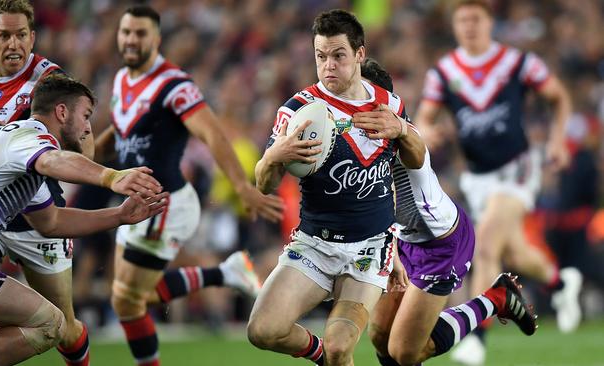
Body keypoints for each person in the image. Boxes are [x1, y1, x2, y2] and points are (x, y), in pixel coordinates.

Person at [92, 6, 284, 365]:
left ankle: (225, 273)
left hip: (164, 204)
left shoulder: (174, 85)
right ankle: (225, 272)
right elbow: (121, 132)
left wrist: (242, 186)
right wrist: (84, 158)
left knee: (128, 299)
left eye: (140, 33)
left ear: (156, 39)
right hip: (136, 202)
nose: (131, 40)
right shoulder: (121, 79)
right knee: (127, 301)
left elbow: (212, 133)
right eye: (126, 32)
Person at [247, 10, 426, 366]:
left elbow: (416, 161)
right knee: (262, 331)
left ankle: (331, 354)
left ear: (359, 54)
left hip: (369, 250)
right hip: (314, 244)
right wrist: (273, 156)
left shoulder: (389, 104)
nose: (328, 65)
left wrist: (403, 130)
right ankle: (319, 354)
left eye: (338, 55)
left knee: (342, 346)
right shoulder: (299, 110)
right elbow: (264, 184)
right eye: (320, 56)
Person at [0, 74, 168, 366]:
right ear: (62, 112)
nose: (89, 128)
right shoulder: (30, 138)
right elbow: (52, 161)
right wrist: (112, 176)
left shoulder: (17, 156)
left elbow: (50, 222)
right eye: (86, 115)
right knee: (50, 323)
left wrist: (119, 216)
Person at [415, 1, 582, 364]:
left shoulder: (517, 63)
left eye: (475, 18)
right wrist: (431, 131)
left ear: (490, 22)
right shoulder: (443, 72)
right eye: (462, 20)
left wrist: (556, 139)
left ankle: (477, 337)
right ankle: (560, 283)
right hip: (477, 178)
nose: (469, 26)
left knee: (486, 246)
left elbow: (558, 97)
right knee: (513, 252)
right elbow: (424, 119)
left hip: (517, 167)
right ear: (454, 26)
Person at [361, 58, 538, 366]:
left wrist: (402, 127)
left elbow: (414, 145)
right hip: (405, 240)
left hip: (441, 243)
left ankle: (495, 298)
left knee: (405, 351)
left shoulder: (398, 136)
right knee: (379, 335)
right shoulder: (355, 137)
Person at [0, 1, 94, 364]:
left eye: (21, 36)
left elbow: (82, 134)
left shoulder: (50, 80)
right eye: (4, 36)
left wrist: (88, 166)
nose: (14, 44)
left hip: (38, 218)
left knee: (64, 327)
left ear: (33, 37)